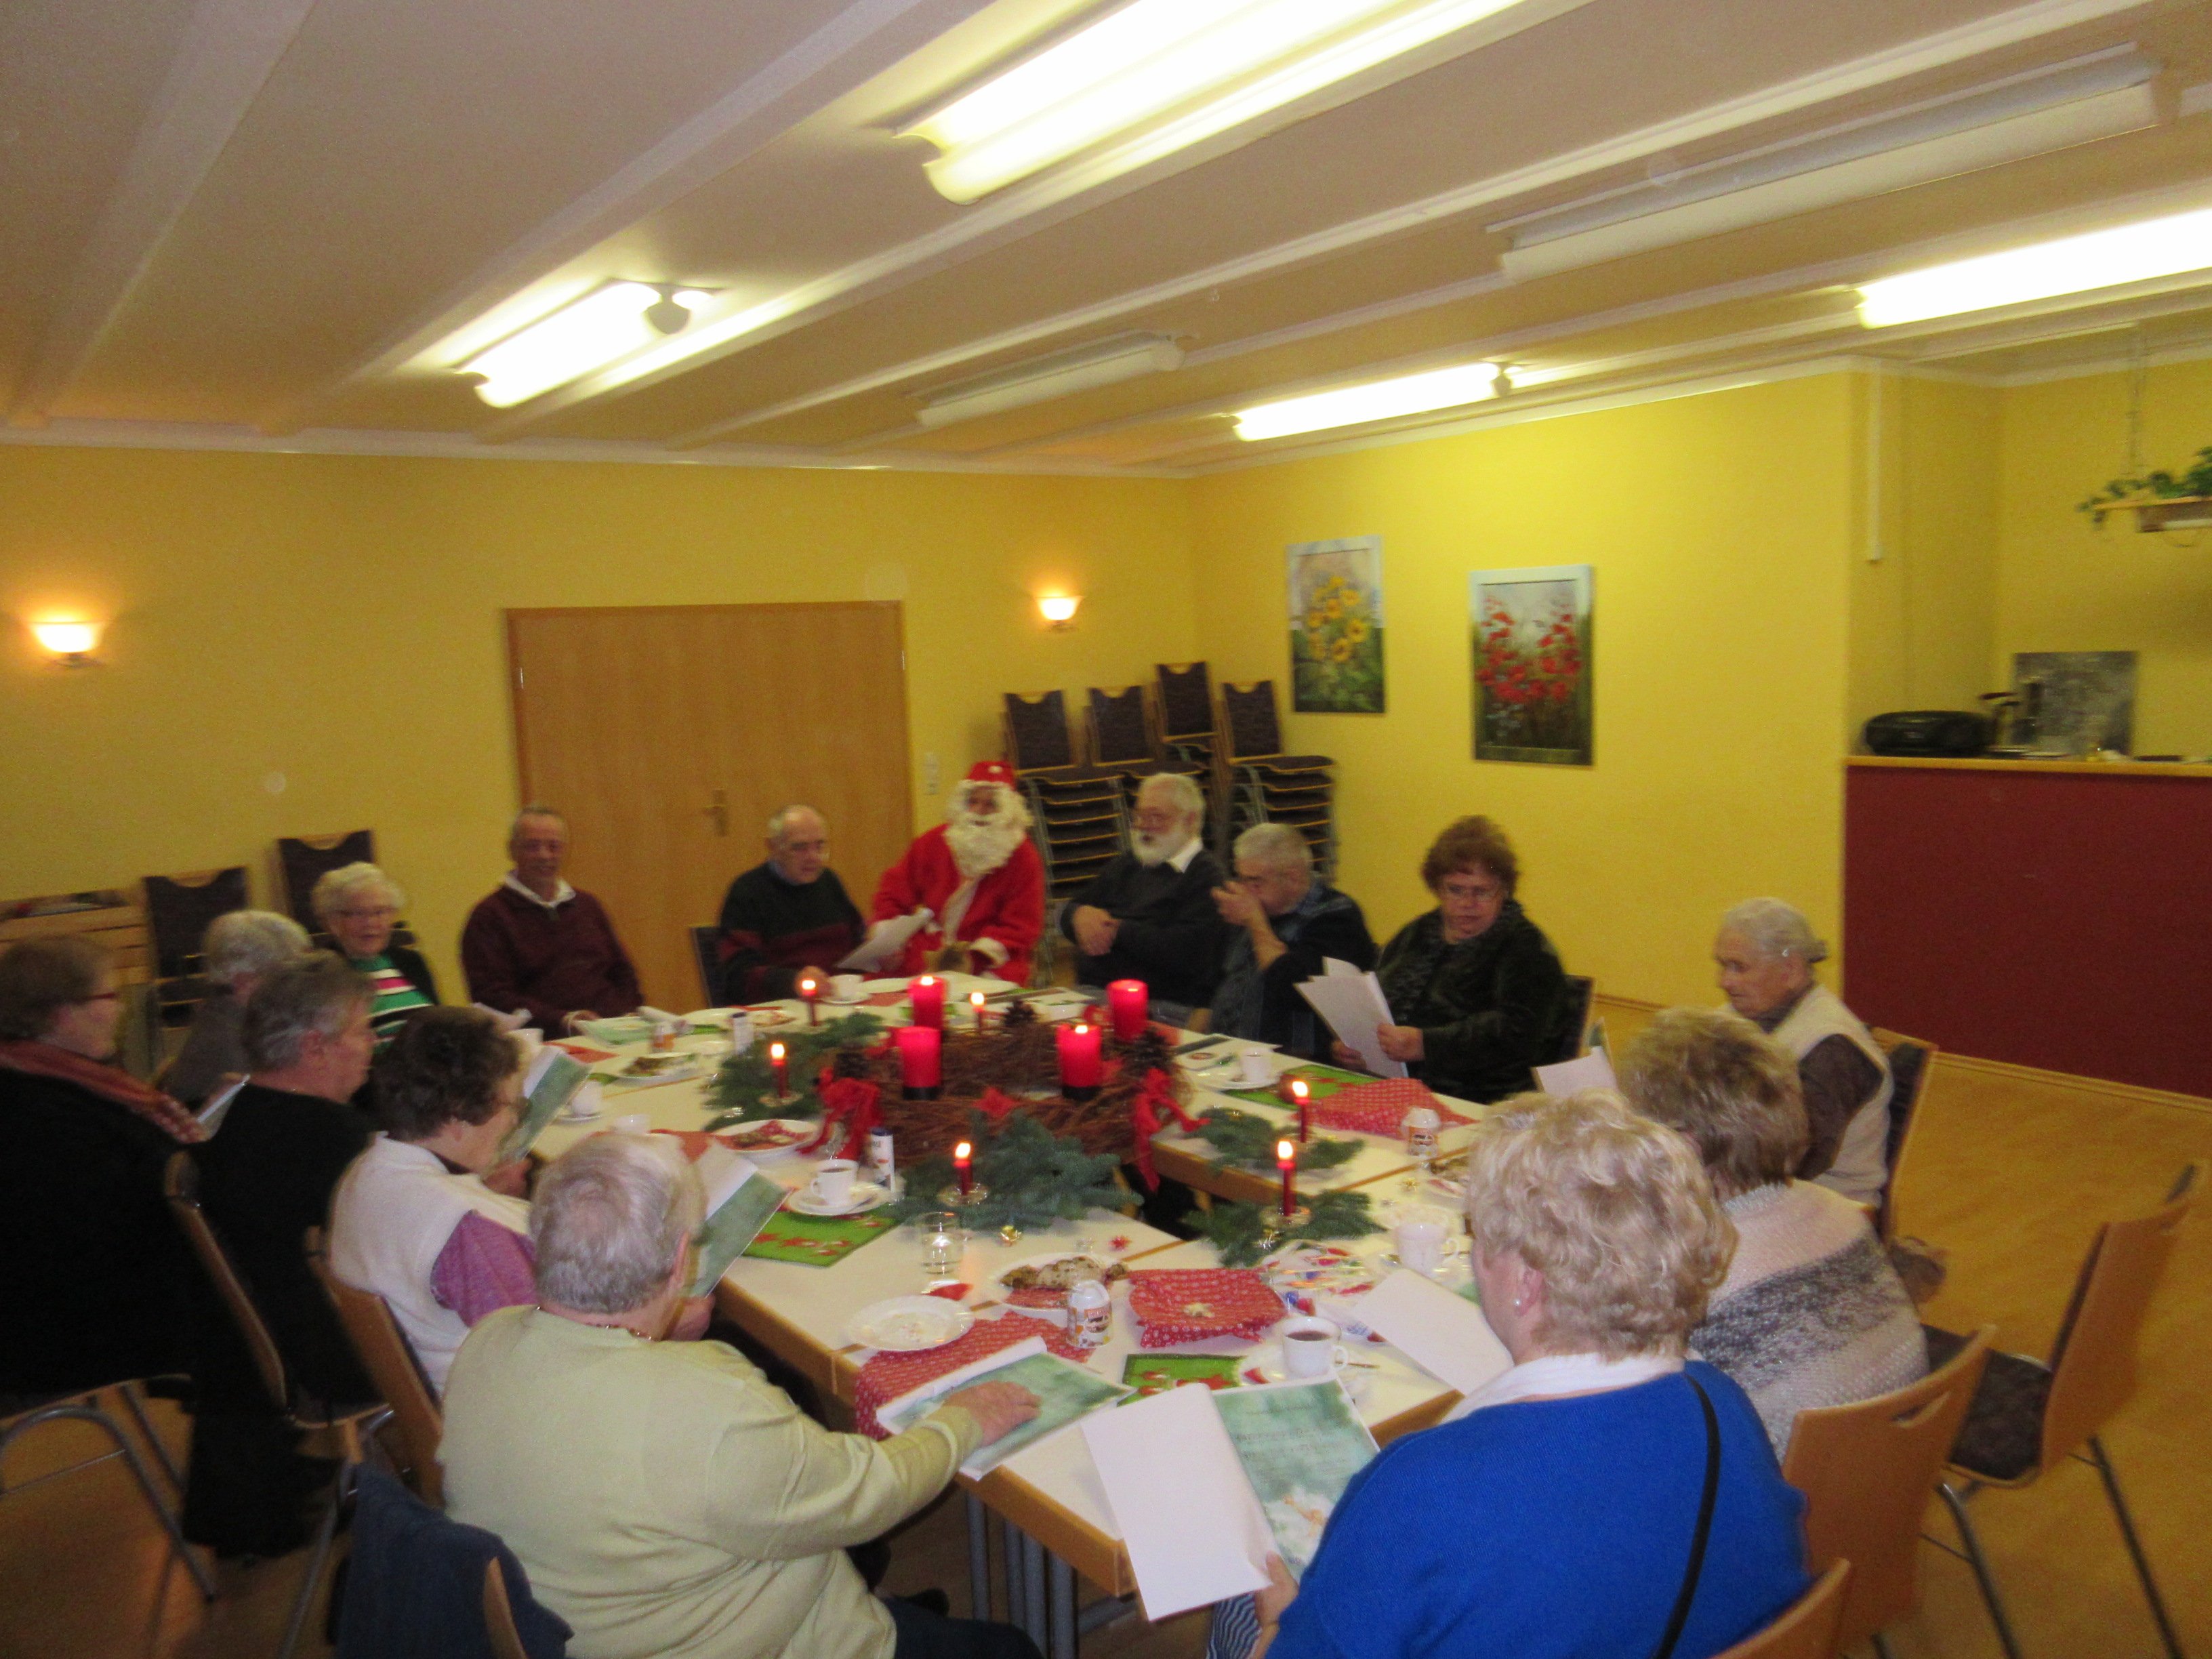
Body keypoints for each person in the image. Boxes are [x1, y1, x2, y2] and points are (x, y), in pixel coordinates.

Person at [442, 1132, 1046, 1659]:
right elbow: (866, 1494)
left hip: (595, 1627)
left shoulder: (486, 1344)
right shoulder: (706, 1409)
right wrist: (962, 1421)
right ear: (680, 1263)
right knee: (1011, 1648)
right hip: (771, 1643)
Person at [1250, 1091, 1808, 1659]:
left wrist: (1276, 1625)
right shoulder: (1721, 1402)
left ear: (1526, 1282)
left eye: (1480, 1233)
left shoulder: (1425, 1485)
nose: (1475, 1254)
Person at [1619, 1006, 1926, 1456]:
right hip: (1892, 1470)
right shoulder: (1842, 1212)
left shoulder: (1691, 1269)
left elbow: (1636, 1418)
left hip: (1781, 1487)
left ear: (1683, 1145)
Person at [182, 952, 380, 1556]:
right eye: (363, 1031)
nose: (373, 1044)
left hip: (257, 1348)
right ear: (315, 1048)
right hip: (335, 1349)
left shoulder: (232, 1112)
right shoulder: (330, 1142)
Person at [0, 936, 203, 1397]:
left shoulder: (51, 1076)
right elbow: (127, 1205)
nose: (121, 1010)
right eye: (110, 996)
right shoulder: (32, 1107)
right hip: (73, 1327)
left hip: (89, 1297)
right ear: (62, 1013)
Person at [327, 1008, 536, 1395]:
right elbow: (538, 1355)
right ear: (458, 1118)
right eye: (511, 1106)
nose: (512, 1122)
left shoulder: (364, 1172)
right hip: (489, 1405)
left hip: (427, 1387)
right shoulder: (467, 1229)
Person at [1358, 816, 1574, 1101]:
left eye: (1481, 892)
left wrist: (1427, 1045)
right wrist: (1358, 1044)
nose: (1467, 903)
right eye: (1455, 890)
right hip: (1394, 1087)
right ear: (1437, 888)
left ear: (1504, 891)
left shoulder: (1527, 949)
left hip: (1484, 1099)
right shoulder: (1417, 933)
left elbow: (1518, 1033)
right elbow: (1374, 997)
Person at [1713, 898, 1893, 1205]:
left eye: (1738, 967)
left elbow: (1795, 1160)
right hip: (1749, 1186)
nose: (1724, 982)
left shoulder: (1833, 1048)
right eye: (1723, 966)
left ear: (1791, 969)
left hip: (1829, 1205)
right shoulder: (1732, 1017)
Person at [1060, 771, 1230, 1019]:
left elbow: (1189, 953)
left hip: (1160, 1008)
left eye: (1156, 817)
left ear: (1190, 821)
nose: (1143, 825)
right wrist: (1078, 915)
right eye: (1139, 815)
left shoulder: (1206, 876)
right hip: (1093, 994)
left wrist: (1118, 930)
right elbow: (1068, 911)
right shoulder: (1129, 864)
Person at [460, 806, 644, 1032]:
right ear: (512, 850)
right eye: (532, 846)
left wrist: (628, 1012)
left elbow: (622, 972)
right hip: (543, 1040)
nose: (545, 856)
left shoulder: (587, 905)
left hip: (612, 1030)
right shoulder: (489, 917)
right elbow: (492, 997)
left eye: (553, 847)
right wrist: (563, 1020)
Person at [1207, 823, 1374, 1058]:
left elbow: (1295, 988)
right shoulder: (1251, 909)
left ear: (1293, 878)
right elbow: (1212, 981)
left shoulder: (1337, 917)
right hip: (1226, 1051)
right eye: (1241, 879)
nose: (1245, 891)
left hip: (1295, 1062)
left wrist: (1256, 922)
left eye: (1255, 882)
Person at [869, 761, 1045, 982]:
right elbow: (893, 892)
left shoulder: (1023, 857)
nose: (979, 811)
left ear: (1008, 812)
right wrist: (890, 939)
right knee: (883, 978)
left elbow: (1019, 928)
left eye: (991, 804)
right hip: (933, 948)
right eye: (973, 802)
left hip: (990, 956)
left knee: (997, 986)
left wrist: (972, 959)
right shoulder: (933, 842)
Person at [716, 806, 864, 1004]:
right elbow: (738, 975)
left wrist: (877, 955)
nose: (813, 857)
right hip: (783, 1007)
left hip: (838, 1001)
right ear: (773, 847)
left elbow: (857, 942)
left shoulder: (829, 881)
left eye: (820, 846)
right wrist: (793, 981)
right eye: (800, 848)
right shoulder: (747, 892)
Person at [163, 909, 309, 1107]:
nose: (296, 988)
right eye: (286, 977)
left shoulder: (223, 1021)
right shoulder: (238, 1044)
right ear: (245, 982)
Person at [314, 862, 438, 1045]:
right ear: (333, 921)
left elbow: (440, 1023)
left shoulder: (412, 961)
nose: (371, 923)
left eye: (380, 912)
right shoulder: (322, 974)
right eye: (358, 913)